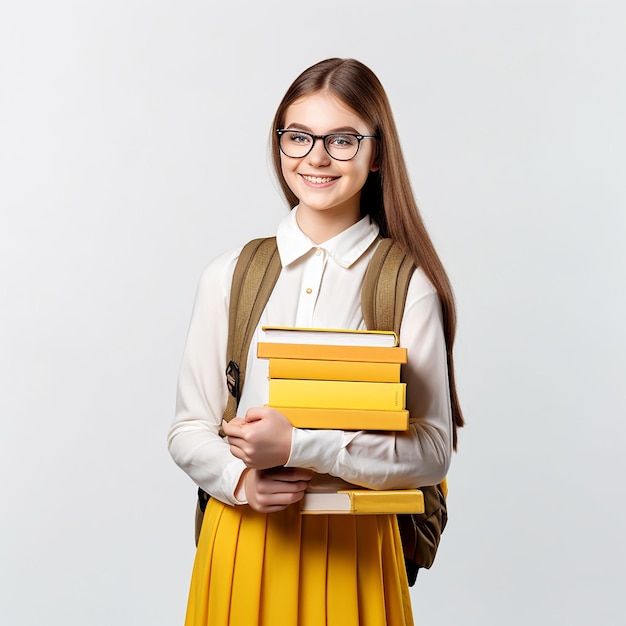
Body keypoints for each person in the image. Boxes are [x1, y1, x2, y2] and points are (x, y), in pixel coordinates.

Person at [168, 57, 464, 626]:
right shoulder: (229, 274)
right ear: (279, 145)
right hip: (242, 543)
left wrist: (298, 445)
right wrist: (240, 481)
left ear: (377, 154)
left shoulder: (408, 286)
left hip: (356, 554)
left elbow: (432, 453)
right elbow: (187, 428)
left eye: (343, 140)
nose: (317, 157)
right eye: (299, 136)